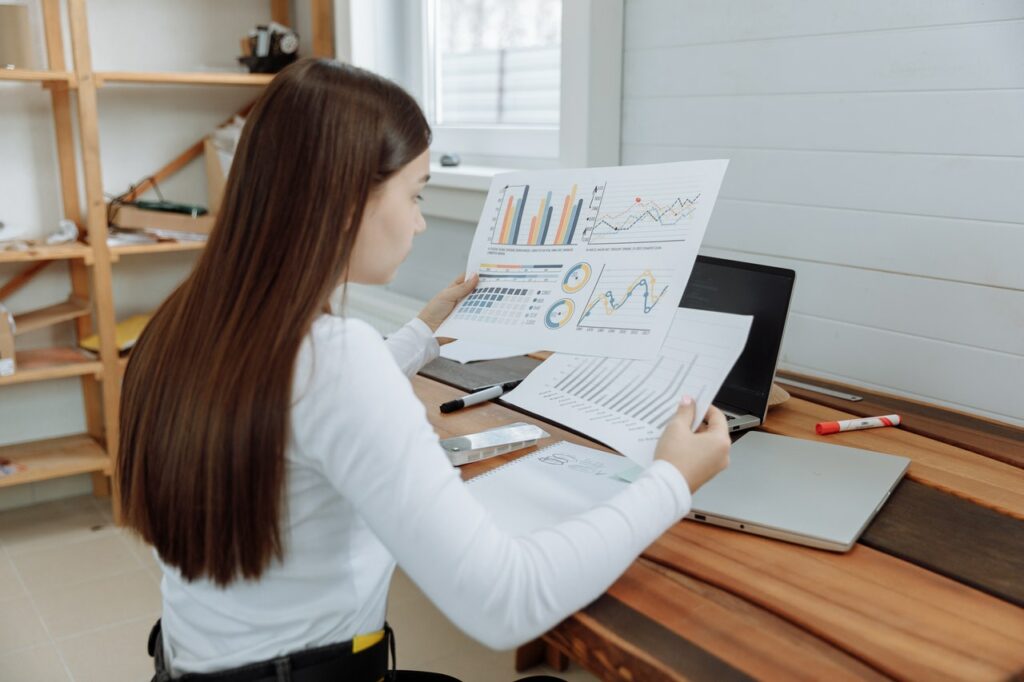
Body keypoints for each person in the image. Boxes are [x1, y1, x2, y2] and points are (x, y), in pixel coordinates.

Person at [117, 58, 731, 682]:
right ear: (347, 198)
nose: (420, 219)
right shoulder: (333, 358)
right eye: (415, 193)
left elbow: (294, 409)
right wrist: (672, 479)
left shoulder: (183, 321)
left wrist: (421, 334)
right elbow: (505, 604)